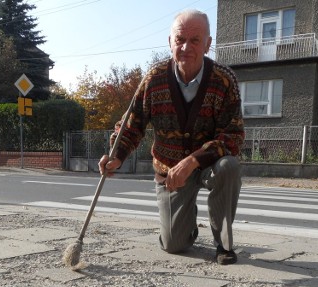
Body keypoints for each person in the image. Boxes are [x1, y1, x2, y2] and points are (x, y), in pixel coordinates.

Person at [99, 9, 244, 265]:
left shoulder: (224, 80)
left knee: (228, 166)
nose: (186, 47)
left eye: (195, 40)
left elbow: (232, 135)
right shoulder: (153, 79)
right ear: (170, 42)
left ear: (208, 44)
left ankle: (224, 243)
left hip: (209, 166)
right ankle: (187, 223)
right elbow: (132, 125)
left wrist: (192, 161)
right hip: (169, 172)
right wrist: (116, 156)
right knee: (173, 245)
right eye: (180, 39)